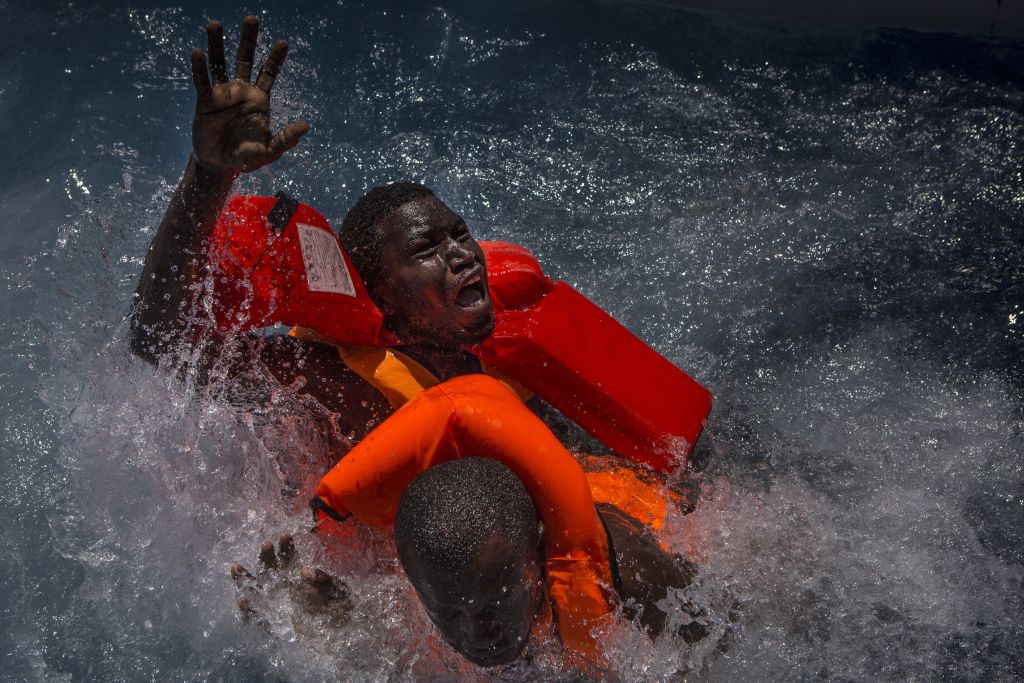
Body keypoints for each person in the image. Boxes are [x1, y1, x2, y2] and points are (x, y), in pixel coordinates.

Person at [131, 16, 704, 669]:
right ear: (380, 298)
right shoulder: (330, 380)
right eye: (428, 251)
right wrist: (208, 177)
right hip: (428, 580)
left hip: (503, 556)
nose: (462, 256)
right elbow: (160, 337)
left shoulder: (498, 338)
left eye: (459, 235)